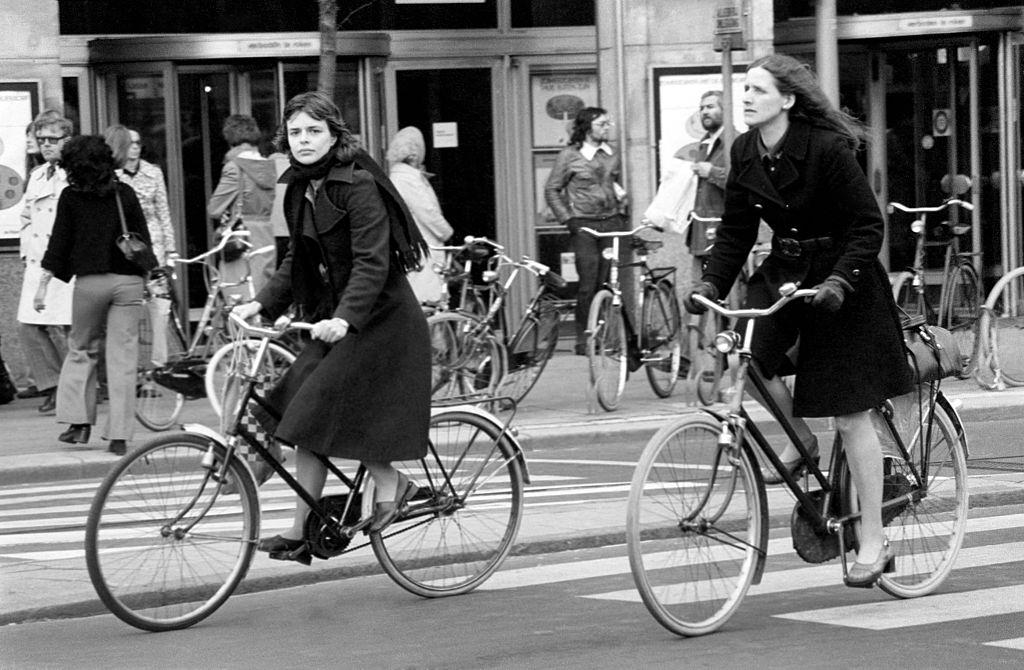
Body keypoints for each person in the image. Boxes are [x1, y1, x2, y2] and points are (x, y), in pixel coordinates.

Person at [683, 54, 913, 588]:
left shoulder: (826, 148)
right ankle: (801, 439)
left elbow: (866, 225)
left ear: (786, 100)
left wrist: (838, 282)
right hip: (785, 269)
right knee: (745, 356)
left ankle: (873, 540)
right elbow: (737, 231)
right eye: (744, 88)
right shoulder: (745, 151)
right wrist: (712, 284)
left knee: (851, 414)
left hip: (841, 280)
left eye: (757, 90)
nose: (745, 97)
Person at [231, 91, 431, 566]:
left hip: (381, 319)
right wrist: (259, 305)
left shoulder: (357, 185)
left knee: (319, 409)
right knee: (299, 415)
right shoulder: (300, 186)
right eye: (296, 132)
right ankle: (303, 529)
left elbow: (371, 263)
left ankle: (393, 483)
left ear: (334, 135)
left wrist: (344, 318)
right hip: (336, 320)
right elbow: (295, 259)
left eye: (313, 131)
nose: (303, 140)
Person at [36, 135, 152, 456]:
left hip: (90, 285)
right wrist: (151, 274)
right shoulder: (124, 193)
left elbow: (58, 244)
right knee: (123, 359)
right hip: (128, 284)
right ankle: (119, 435)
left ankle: (78, 423)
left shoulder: (70, 197)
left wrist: (44, 283)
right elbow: (143, 237)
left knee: (81, 349)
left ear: (72, 165)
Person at [544, 107, 626, 355]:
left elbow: (616, 182)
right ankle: (584, 338)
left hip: (610, 221)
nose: (606, 128)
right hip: (584, 224)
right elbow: (552, 189)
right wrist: (568, 219)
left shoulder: (612, 154)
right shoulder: (569, 155)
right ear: (587, 127)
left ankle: (609, 337)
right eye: (601, 124)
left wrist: (620, 198)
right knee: (588, 282)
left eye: (607, 123)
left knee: (609, 281)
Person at [105, 124, 177, 367]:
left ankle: (157, 363)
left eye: (137, 143)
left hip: (152, 246)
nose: (134, 148)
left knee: (158, 308)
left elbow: (163, 212)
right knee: (133, 308)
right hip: (125, 248)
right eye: (130, 143)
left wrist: (170, 251)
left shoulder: (153, 172)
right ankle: (134, 365)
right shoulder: (113, 176)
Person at [17, 110, 74, 415]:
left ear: (67, 139)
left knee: (64, 329)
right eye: (42, 140)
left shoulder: (76, 173)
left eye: (53, 139)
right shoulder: (38, 175)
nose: (47, 145)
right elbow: (26, 216)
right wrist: (27, 250)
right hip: (38, 262)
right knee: (28, 327)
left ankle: (74, 390)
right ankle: (52, 385)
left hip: (64, 264)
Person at [207, 115, 278, 299]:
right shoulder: (269, 166)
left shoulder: (234, 168)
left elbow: (214, 209)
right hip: (266, 237)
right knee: (261, 297)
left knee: (237, 299)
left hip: (241, 239)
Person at [386, 126, 454, 305]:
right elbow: (428, 213)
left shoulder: (402, 178)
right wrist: (447, 232)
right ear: (415, 153)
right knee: (428, 301)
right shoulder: (407, 180)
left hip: (420, 248)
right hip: (425, 248)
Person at [686, 90, 730, 282]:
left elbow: (741, 182)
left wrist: (712, 172)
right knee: (700, 290)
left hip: (722, 226)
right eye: (701, 108)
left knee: (724, 287)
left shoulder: (734, 140)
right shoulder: (705, 143)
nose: (704, 112)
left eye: (710, 107)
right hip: (701, 225)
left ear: (725, 109)